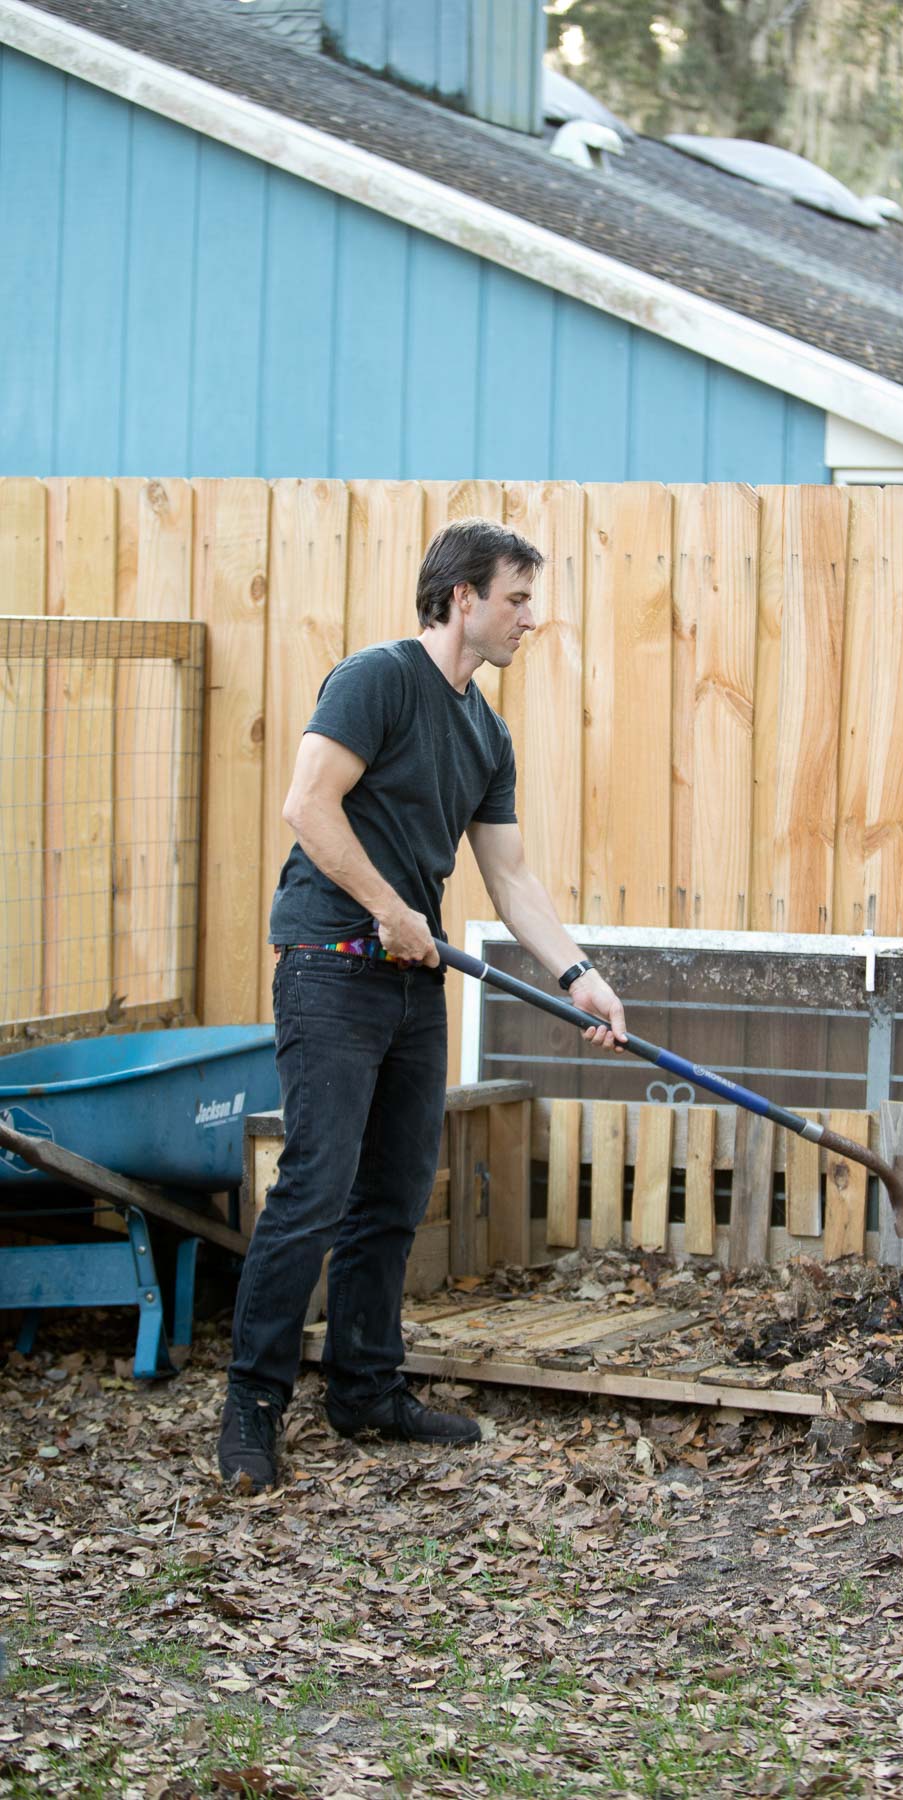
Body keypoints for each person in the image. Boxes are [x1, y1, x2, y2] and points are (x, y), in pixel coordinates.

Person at [218, 518, 627, 1492]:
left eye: (532, 599)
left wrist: (580, 976)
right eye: (517, 599)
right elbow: (308, 806)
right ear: (462, 601)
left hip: (412, 981)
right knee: (317, 1184)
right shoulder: (377, 681)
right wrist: (389, 906)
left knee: (396, 1193)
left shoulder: (486, 732)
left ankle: (364, 1388)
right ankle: (252, 1406)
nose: (532, 619)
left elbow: (512, 876)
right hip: (331, 962)